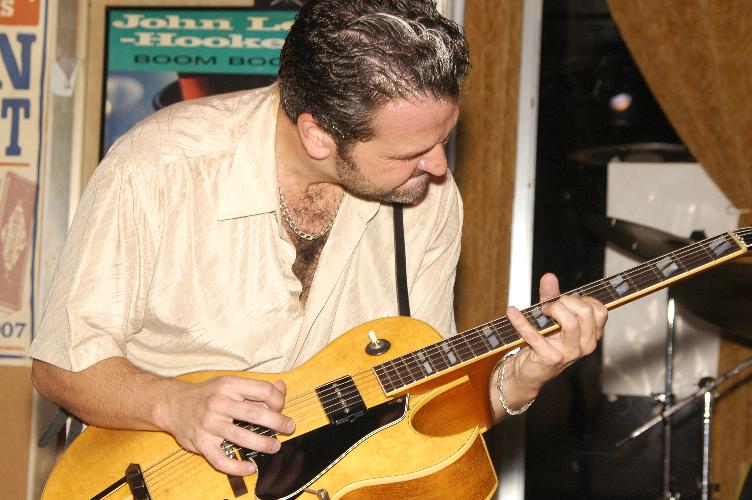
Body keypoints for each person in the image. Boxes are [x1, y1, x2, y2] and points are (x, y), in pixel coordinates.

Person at [30, 0, 606, 483]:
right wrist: (173, 405)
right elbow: (60, 367)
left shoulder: (428, 201)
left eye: (444, 140)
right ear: (318, 136)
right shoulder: (160, 166)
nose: (437, 167)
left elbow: (428, 402)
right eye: (409, 152)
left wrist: (521, 378)